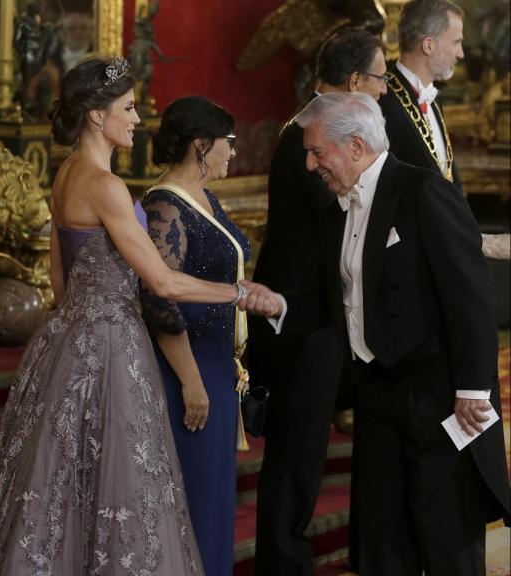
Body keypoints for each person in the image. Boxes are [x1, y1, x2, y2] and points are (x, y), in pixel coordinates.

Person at [0, 57, 281, 576]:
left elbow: (60, 284)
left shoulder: (63, 177)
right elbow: (161, 283)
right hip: (114, 344)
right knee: (121, 490)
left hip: (68, 341)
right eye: (128, 107)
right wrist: (237, 292)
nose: (139, 118)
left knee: (65, 489)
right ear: (97, 116)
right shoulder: (105, 185)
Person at [245, 91, 510, 575]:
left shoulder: (423, 192)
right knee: (382, 540)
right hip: (375, 395)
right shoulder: (334, 212)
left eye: (316, 151)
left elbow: (470, 299)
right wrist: (278, 304)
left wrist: (473, 389)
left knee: (446, 537)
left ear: (356, 145)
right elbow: (334, 300)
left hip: (436, 396)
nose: (308, 165)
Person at [248, 27, 386, 576]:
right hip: (299, 326)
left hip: (323, 323)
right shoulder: (307, 135)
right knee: (293, 467)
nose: (383, 91)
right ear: (355, 80)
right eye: (379, 79)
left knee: (306, 463)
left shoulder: (325, 126)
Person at [139, 96, 248, 576]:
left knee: (215, 501)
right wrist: (191, 381)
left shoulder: (206, 197)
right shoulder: (163, 205)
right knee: (193, 504)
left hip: (217, 364)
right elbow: (158, 299)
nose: (233, 153)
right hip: (188, 370)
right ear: (202, 146)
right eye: (229, 143)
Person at [379, 0, 463, 189]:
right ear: (428, 46)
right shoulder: (383, 101)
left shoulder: (432, 97)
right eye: (456, 42)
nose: (461, 54)